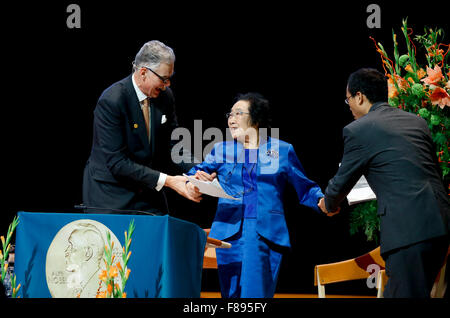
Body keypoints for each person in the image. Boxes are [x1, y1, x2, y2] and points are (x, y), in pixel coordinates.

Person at [318, 68, 450, 298]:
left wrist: (328, 204)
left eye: (348, 99)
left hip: (409, 229)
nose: (348, 105)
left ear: (359, 96)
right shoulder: (416, 122)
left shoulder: (359, 130)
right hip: (440, 225)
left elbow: (341, 182)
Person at [187, 92, 328, 298]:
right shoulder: (221, 150)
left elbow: (305, 188)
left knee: (255, 296)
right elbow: (194, 174)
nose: (231, 119)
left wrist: (323, 202)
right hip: (229, 233)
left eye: (238, 113)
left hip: (264, 233)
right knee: (231, 296)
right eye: (230, 114)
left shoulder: (282, 150)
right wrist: (196, 180)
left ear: (256, 119)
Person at [82, 40, 200, 215]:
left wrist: (198, 171)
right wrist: (168, 180)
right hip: (111, 194)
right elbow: (117, 162)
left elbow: (173, 144)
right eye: (164, 79)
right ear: (143, 72)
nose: (168, 85)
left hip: (147, 191)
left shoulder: (165, 97)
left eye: (170, 78)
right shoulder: (112, 100)